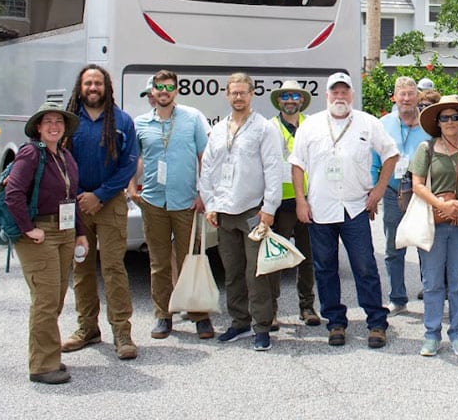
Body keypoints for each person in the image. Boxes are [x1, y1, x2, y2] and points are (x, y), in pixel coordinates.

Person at [290, 72, 400, 349]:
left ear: (351, 95)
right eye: (334, 92)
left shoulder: (367, 122)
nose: (340, 97)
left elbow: (391, 154)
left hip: (355, 208)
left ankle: (376, 322)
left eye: (345, 92)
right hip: (320, 209)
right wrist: (301, 201)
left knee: (364, 267)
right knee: (325, 268)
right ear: (327, 95)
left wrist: (377, 191)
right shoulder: (311, 125)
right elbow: (297, 165)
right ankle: (335, 322)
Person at [198, 73, 286, 351]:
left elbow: (274, 169)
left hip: (253, 210)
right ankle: (239, 323)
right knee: (232, 271)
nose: (238, 97)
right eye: (233, 93)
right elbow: (208, 168)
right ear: (226, 95)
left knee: (256, 273)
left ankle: (262, 327)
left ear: (252, 94)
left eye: (243, 93)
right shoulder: (219, 129)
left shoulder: (263, 128)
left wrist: (269, 208)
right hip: (224, 211)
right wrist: (211, 204)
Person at [61, 65, 140, 361]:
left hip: (110, 204)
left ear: (106, 87)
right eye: (88, 83)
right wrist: (80, 195)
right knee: (81, 267)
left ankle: (122, 332)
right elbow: (54, 153)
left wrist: (101, 195)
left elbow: (129, 163)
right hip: (76, 205)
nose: (93, 88)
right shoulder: (68, 121)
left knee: (113, 268)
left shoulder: (122, 121)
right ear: (80, 88)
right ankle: (87, 328)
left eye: (98, 83)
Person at [129, 69, 214, 341]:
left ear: (176, 90)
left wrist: (203, 193)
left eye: (168, 87)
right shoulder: (141, 123)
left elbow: (204, 158)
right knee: (159, 262)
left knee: (193, 258)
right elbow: (136, 158)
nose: (163, 91)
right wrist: (131, 187)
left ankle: (200, 316)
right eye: (158, 87)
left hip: (187, 201)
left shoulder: (191, 119)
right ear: (152, 91)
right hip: (153, 201)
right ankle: (163, 316)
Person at [7, 103, 86, 384]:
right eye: (48, 122)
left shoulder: (64, 156)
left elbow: (72, 197)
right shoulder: (31, 154)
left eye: (59, 122)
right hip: (40, 234)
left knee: (55, 299)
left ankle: (49, 355)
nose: (54, 126)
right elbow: (13, 194)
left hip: (64, 232)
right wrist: (29, 229)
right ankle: (42, 366)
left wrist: (80, 232)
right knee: (45, 300)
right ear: (38, 128)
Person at [411, 96, 458, 357]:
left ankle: (457, 334)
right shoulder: (426, 149)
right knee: (432, 282)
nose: (451, 122)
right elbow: (417, 184)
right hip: (433, 222)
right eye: (445, 117)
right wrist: (441, 205)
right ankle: (431, 335)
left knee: (457, 282)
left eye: (455, 117)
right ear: (438, 122)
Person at [374, 76, 430, 314]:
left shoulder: (429, 124)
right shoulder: (383, 124)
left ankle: (431, 293)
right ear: (394, 98)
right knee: (393, 247)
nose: (406, 98)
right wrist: (372, 192)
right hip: (392, 191)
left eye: (410, 93)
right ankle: (397, 297)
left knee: (425, 245)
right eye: (402, 94)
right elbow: (374, 158)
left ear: (418, 97)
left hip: (422, 193)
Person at [268, 80, 320, 326]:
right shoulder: (270, 127)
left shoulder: (313, 125)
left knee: (307, 256)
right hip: (281, 200)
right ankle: (272, 310)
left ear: (302, 100)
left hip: (311, 199)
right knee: (276, 257)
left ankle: (307, 307)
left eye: (295, 96)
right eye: (285, 96)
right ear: (279, 101)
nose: (290, 100)